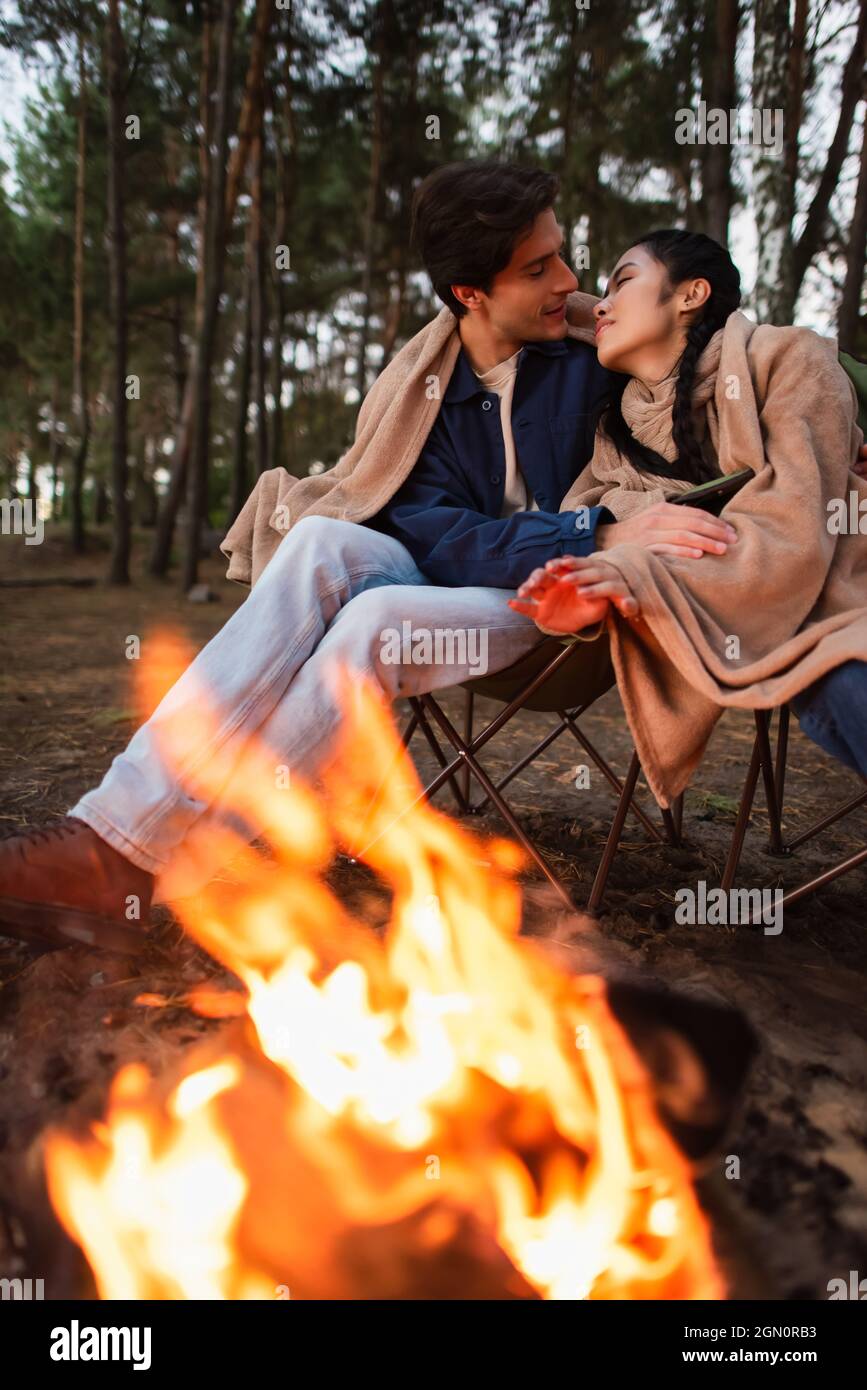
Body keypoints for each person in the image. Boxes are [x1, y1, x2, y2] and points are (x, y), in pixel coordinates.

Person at [0, 163, 736, 952]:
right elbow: (432, 536)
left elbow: (720, 371)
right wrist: (584, 528)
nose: (569, 279)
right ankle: (119, 844)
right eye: (537, 269)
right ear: (468, 294)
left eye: (563, 256)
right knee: (320, 540)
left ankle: (161, 863)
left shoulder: (591, 355)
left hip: (565, 608)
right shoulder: (419, 391)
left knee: (377, 618)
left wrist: (841, 437)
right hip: (480, 579)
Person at [510, 229, 867, 786]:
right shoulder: (618, 434)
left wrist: (634, 569)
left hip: (845, 590)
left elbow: (795, 527)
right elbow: (589, 511)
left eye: (623, 282)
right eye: (600, 294)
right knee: (826, 682)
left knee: (840, 678)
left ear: (691, 294)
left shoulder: (785, 357)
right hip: (778, 626)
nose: (602, 304)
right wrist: (607, 563)